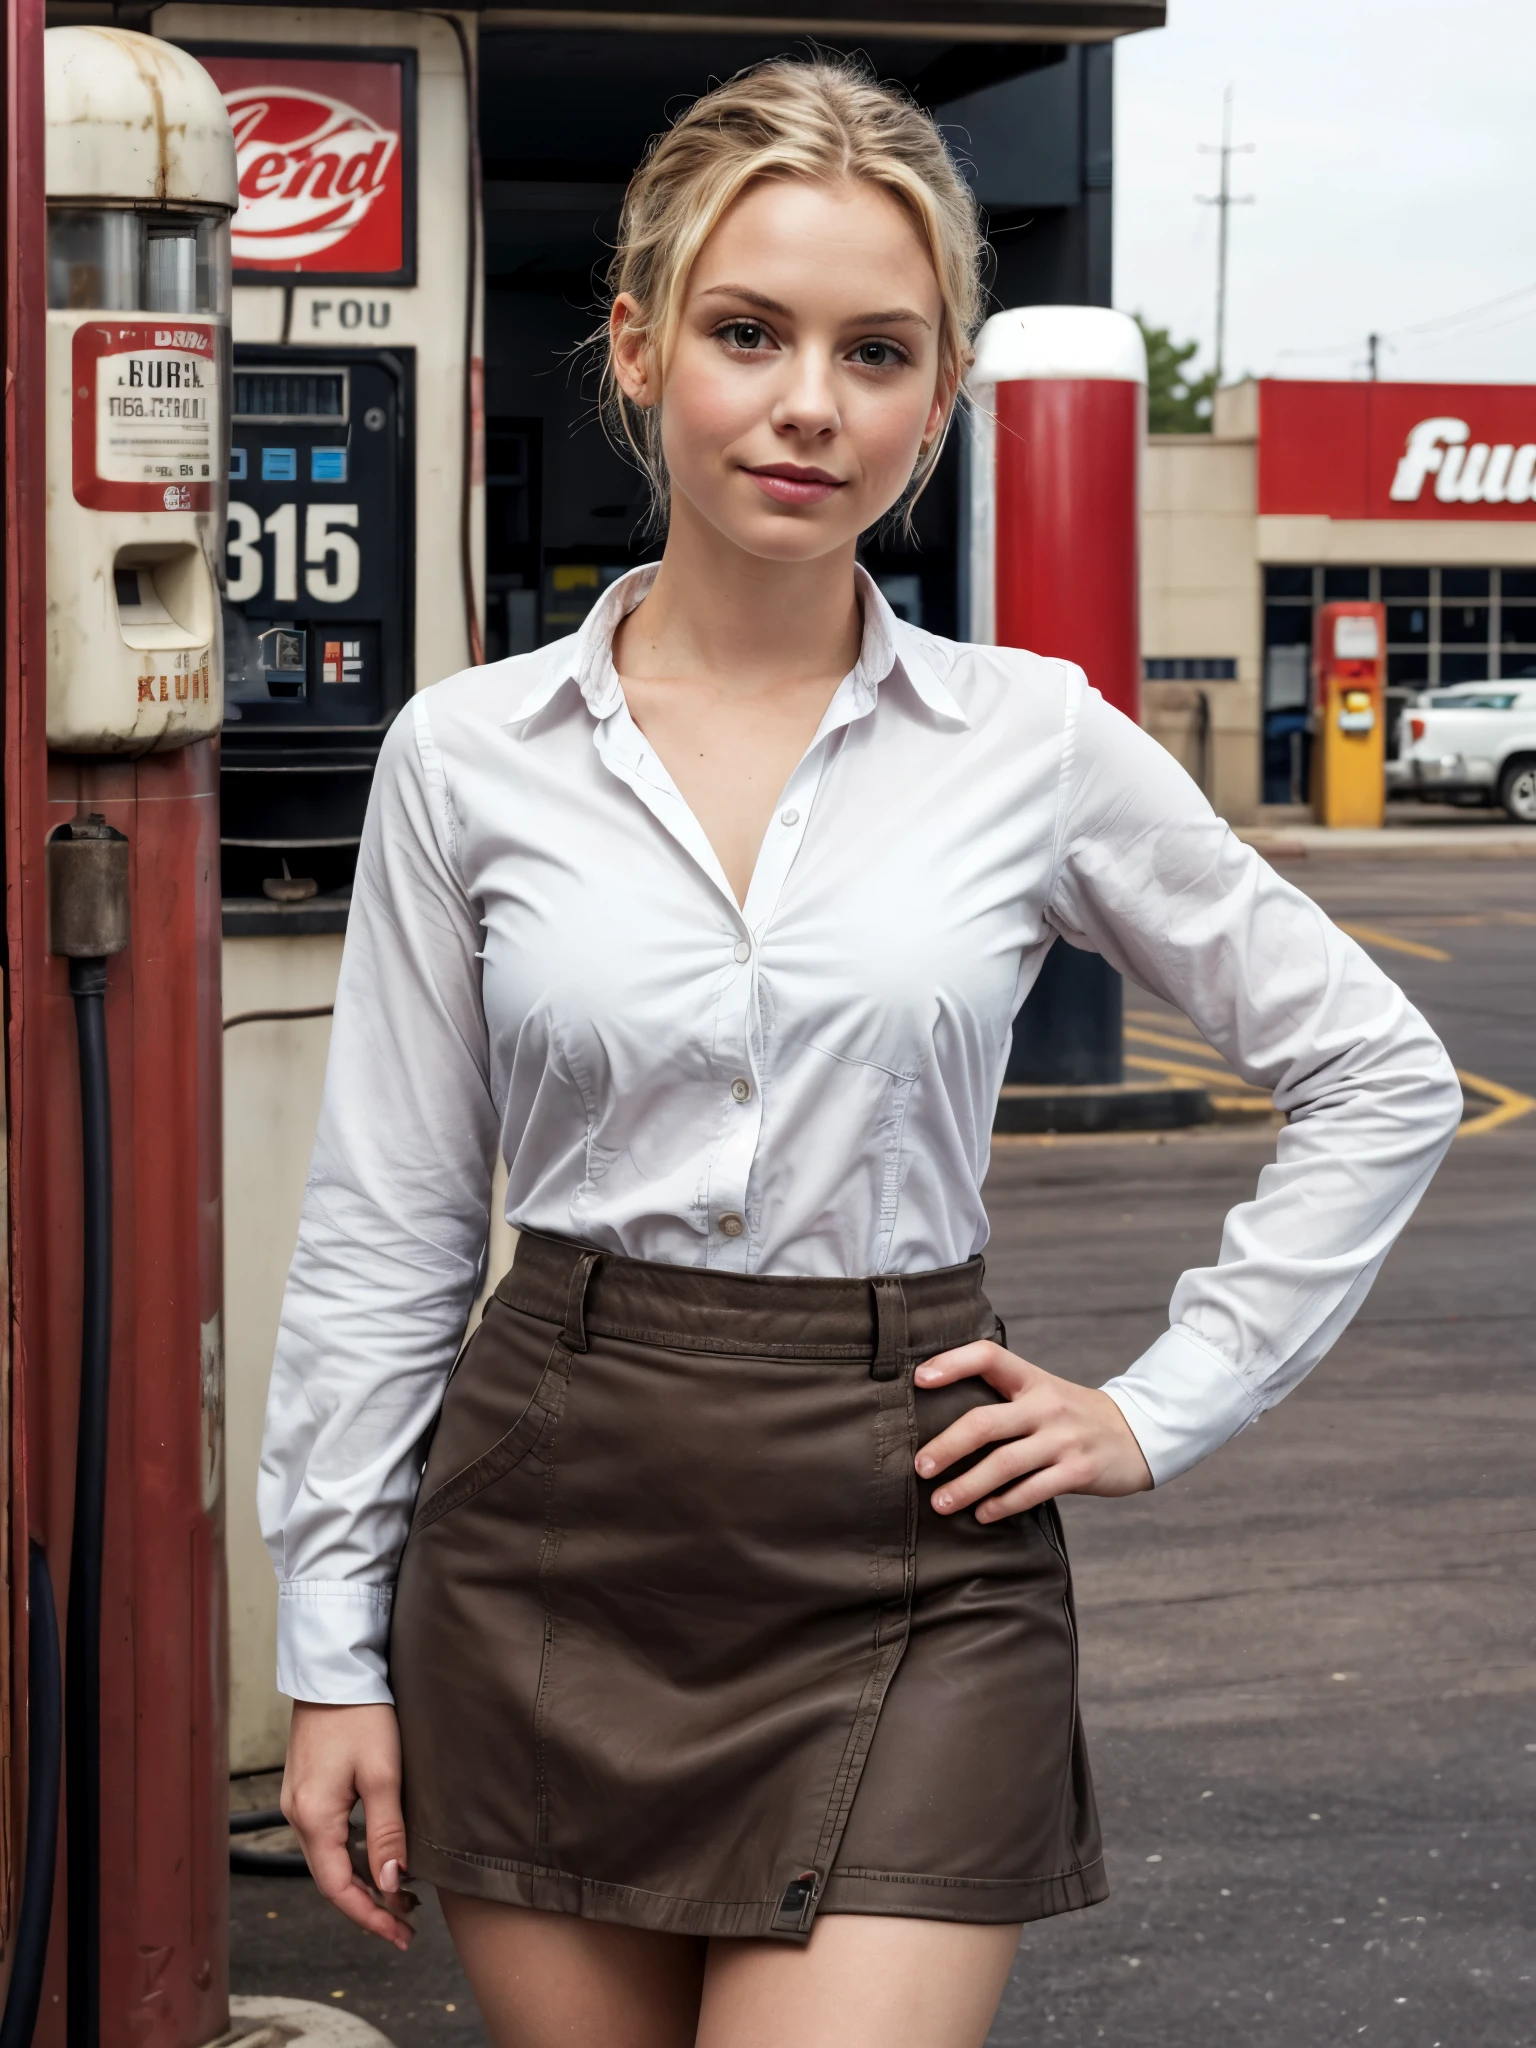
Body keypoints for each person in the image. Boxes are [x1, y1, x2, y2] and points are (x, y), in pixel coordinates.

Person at [261, 56, 1461, 2048]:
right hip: (553, 1527)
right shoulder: (464, 759)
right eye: (748, 333)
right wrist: (332, 1651)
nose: (809, 401)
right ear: (638, 350)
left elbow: (1380, 1068)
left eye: (876, 350)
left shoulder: (1036, 741)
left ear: (944, 392)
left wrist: (1162, 1402)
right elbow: (386, 1220)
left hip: (914, 1548)